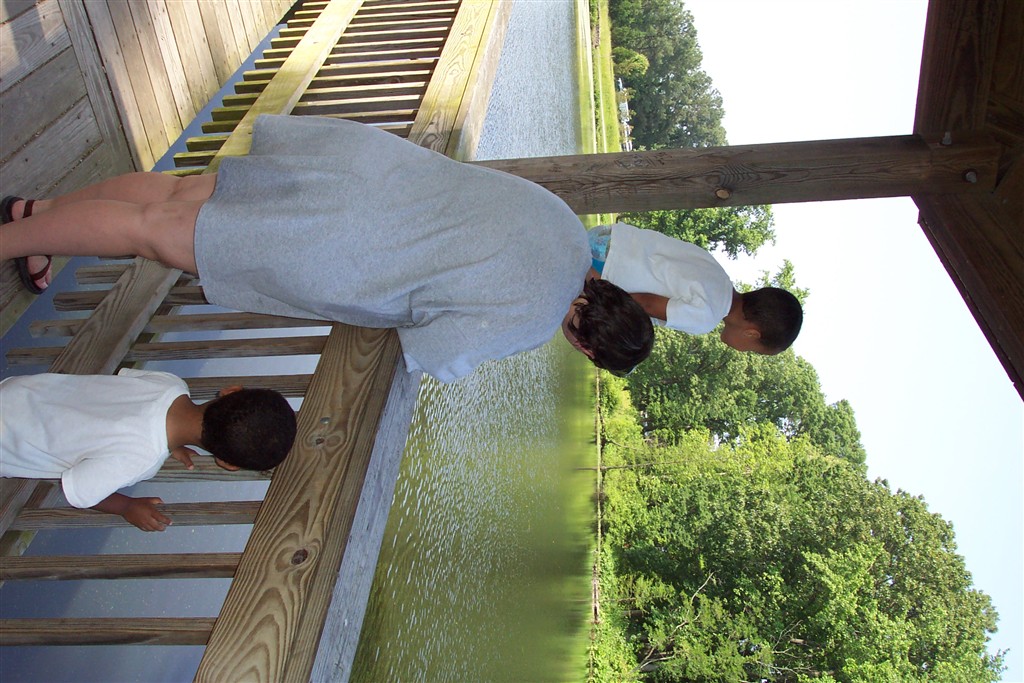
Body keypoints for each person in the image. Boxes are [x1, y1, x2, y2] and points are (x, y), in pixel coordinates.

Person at [0, 114, 653, 382]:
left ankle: (37, 215)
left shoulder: (568, 225)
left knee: (175, 194)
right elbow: (434, 350)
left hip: (357, 169)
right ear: (589, 350)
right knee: (152, 232)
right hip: (330, 241)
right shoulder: (535, 320)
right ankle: (11, 234)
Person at [0, 369, 297, 531]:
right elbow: (80, 489)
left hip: (16, 392)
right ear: (226, 463)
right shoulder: (141, 460)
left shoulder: (170, 383)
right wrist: (126, 507)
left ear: (231, 391)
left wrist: (174, 443)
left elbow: (125, 406)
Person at [586, 222, 803, 354]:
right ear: (752, 334)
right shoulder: (707, 317)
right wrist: (593, 291)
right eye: (753, 351)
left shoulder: (718, 274)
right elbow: (645, 304)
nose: (745, 351)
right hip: (605, 268)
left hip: (606, 238)